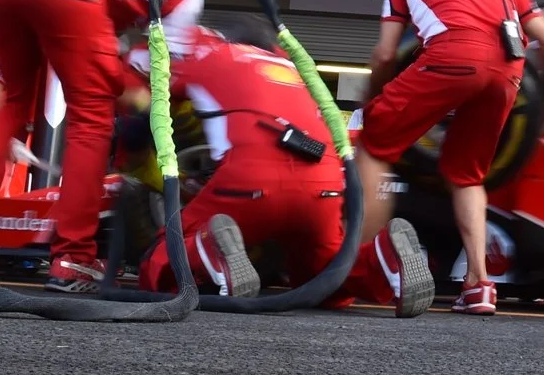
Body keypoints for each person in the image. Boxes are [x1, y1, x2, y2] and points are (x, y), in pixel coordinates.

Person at [0, 0, 211, 293]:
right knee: (92, 116)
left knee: (9, 104)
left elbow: (107, 52)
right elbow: (161, 83)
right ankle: (74, 258)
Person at [130, 19, 435, 316]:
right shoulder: (296, 71)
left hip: (252, 179)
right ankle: (385, 260)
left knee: (159, 259)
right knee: (323, 277)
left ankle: (207, 250)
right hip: (323, 182)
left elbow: (142, 77)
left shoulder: (211, 54)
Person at [357, 0, 544, 316]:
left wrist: (372, 102)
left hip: (451, 56)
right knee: (467, 175)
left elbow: (385, 54)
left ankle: (359, 262)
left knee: (375, 144)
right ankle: (479, 284)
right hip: (509, 71)